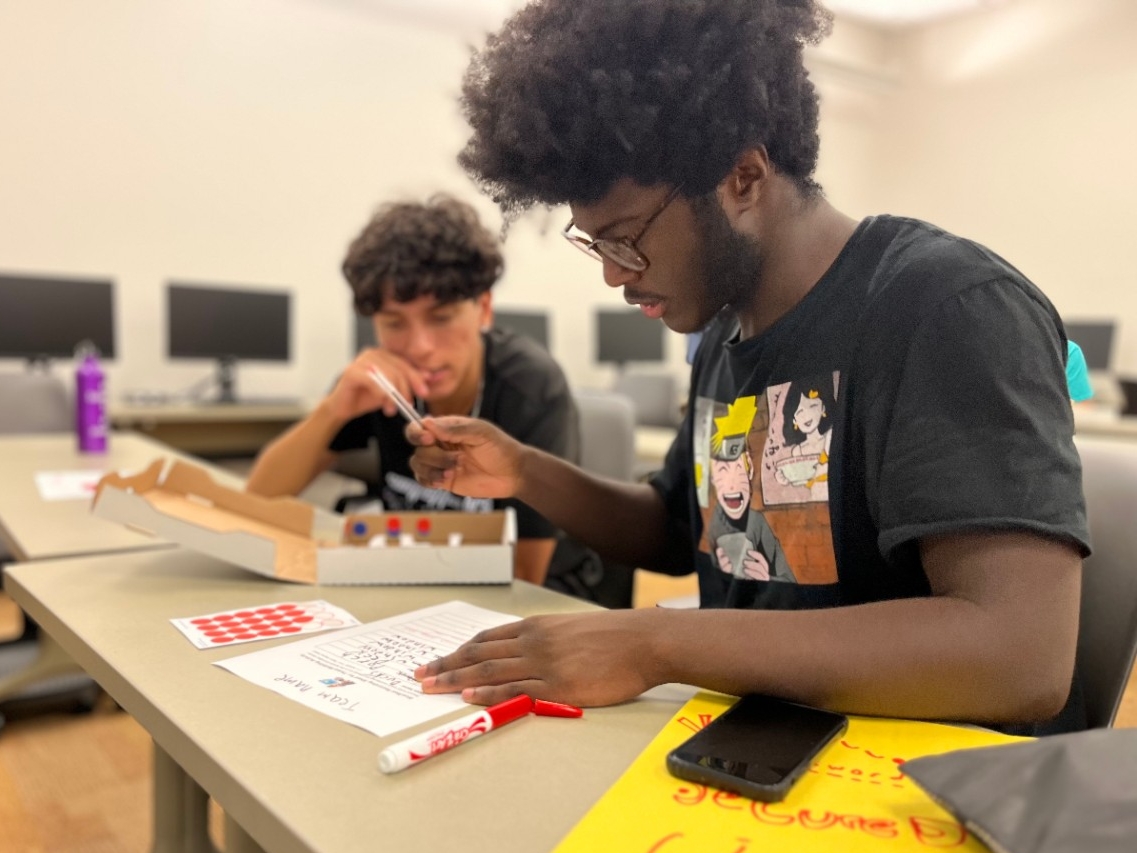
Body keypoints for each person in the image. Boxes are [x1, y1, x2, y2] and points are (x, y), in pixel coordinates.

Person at [404, 0, 1091, 736]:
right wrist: (524, 471)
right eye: (594, 244)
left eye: (627, 239)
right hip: (754, 744)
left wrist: (655, 643)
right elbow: (676, 530)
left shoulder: (945, 308)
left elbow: (1019, 656)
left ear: (742, 177)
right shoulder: (727, 328)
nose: (613, 274)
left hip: (903, 785)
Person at [245, 193, 579, 585]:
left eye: (441, 318)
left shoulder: (529, 389)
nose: (419, 346)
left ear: (484, 308)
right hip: (413, 588)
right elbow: (257, 503)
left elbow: (525, 577)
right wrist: (333, 409)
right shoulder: (376, 384)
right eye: (394, 323)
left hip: (531, 601)